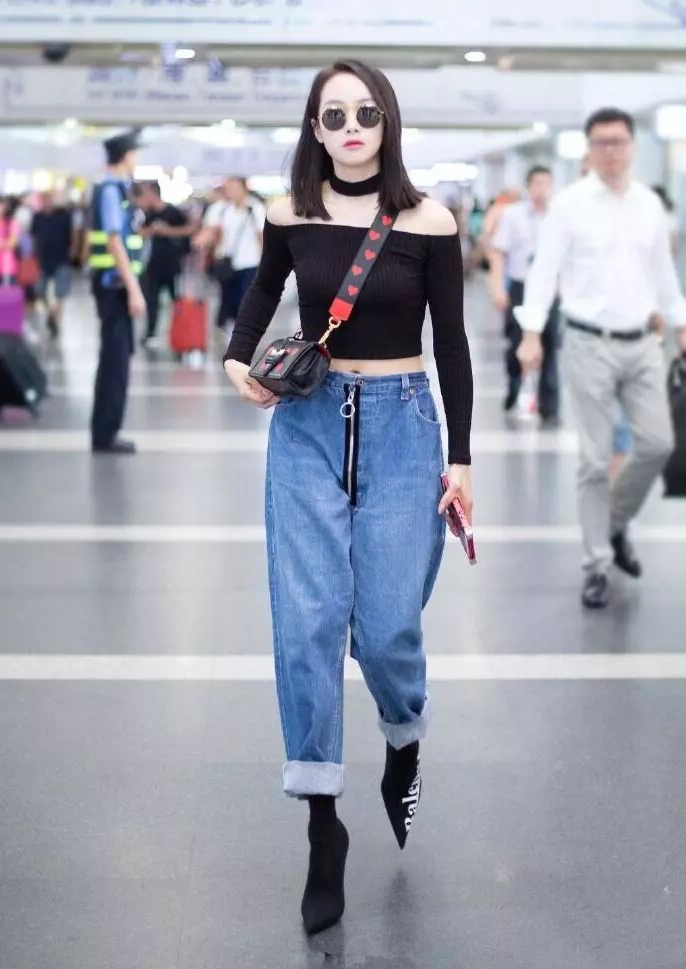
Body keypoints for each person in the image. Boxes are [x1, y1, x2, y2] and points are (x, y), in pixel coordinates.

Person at [222, 60, 473, 935]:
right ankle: (322, 824)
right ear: (315, 128)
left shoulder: (429, 219)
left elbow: (453, 342)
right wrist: (236, 357)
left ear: (387, 121)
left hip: (405, 423)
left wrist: (462, 458)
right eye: (334, 115)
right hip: (308, 425)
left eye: (367, 111)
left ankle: (403, 738)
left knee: (391, 621)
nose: (352, 126)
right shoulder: (290, 212)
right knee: (308, 619)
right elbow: (263, 291)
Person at [516, 107, 686, 609]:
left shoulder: (650, 205)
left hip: (643, 343)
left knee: (658, 443)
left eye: (618, 141)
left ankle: (611, 523)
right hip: (588, 343)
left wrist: (680, 321)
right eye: (601, 142)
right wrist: (531, 333)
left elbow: (664, 273)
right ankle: (597, 563)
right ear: (590, 149)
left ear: (632, 145)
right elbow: (543, 273)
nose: (611, 150)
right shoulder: (568, 206)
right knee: (594, 459)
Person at [88, 130, 146, 454]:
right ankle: (105, 433)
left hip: (114, 286)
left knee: (117, 358)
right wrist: (134, 289)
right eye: (135, 153)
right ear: (125, 156)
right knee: (115, 361)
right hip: (115, 287)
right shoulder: (110, 190)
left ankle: (106, 430)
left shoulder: (117, 189)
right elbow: (113, 241)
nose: (137, 159)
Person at [490, 165, 560, 420]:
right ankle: (514, 385)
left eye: (547, 184)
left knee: (551, 343)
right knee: (516, 342)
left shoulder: (558, 216)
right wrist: (498, 288)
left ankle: (549, 405)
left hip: (551, 290)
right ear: (529, 186)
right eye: (537, 183)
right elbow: (498, 253)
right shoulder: (513, 215)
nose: (542, 189)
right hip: (520, 287)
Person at [199, 177, 266, 331]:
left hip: (250, 262)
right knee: (227, 298)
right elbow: (210, 232)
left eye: (235, 188)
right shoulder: (219, 209)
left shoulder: (255, 208)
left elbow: (261, 235)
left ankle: (242, 328)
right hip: (225, 263)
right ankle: (230, 327)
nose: (232, 192)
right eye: (229, 189)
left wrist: (267, 261)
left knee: (246, 299)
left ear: (244, 189)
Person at [132, 181, 193, 348]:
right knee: (152, 301)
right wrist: (150, 231)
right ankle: (151, 333)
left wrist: (167, 231)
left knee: (177, 302)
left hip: (173, 265)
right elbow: (141, 232)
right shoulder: (147, 214)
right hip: (153, 266)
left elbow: (189, 230)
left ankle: (181, 334)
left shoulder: (173, 212)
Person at [30, 192, 73, 338]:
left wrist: (73, 252)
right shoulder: (38, 217)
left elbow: (71, 234)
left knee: (61, 292)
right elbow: (34, 236)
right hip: (43, 259)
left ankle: (55, 319)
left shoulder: (64, 215)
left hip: (61, 258)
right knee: (39, 290)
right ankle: (51, 314)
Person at [0, 194, 20, 285]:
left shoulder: (11, 224)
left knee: (4, 294)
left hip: (6, 270)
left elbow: (12, 243)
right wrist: (3, 243)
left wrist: (1, 243)